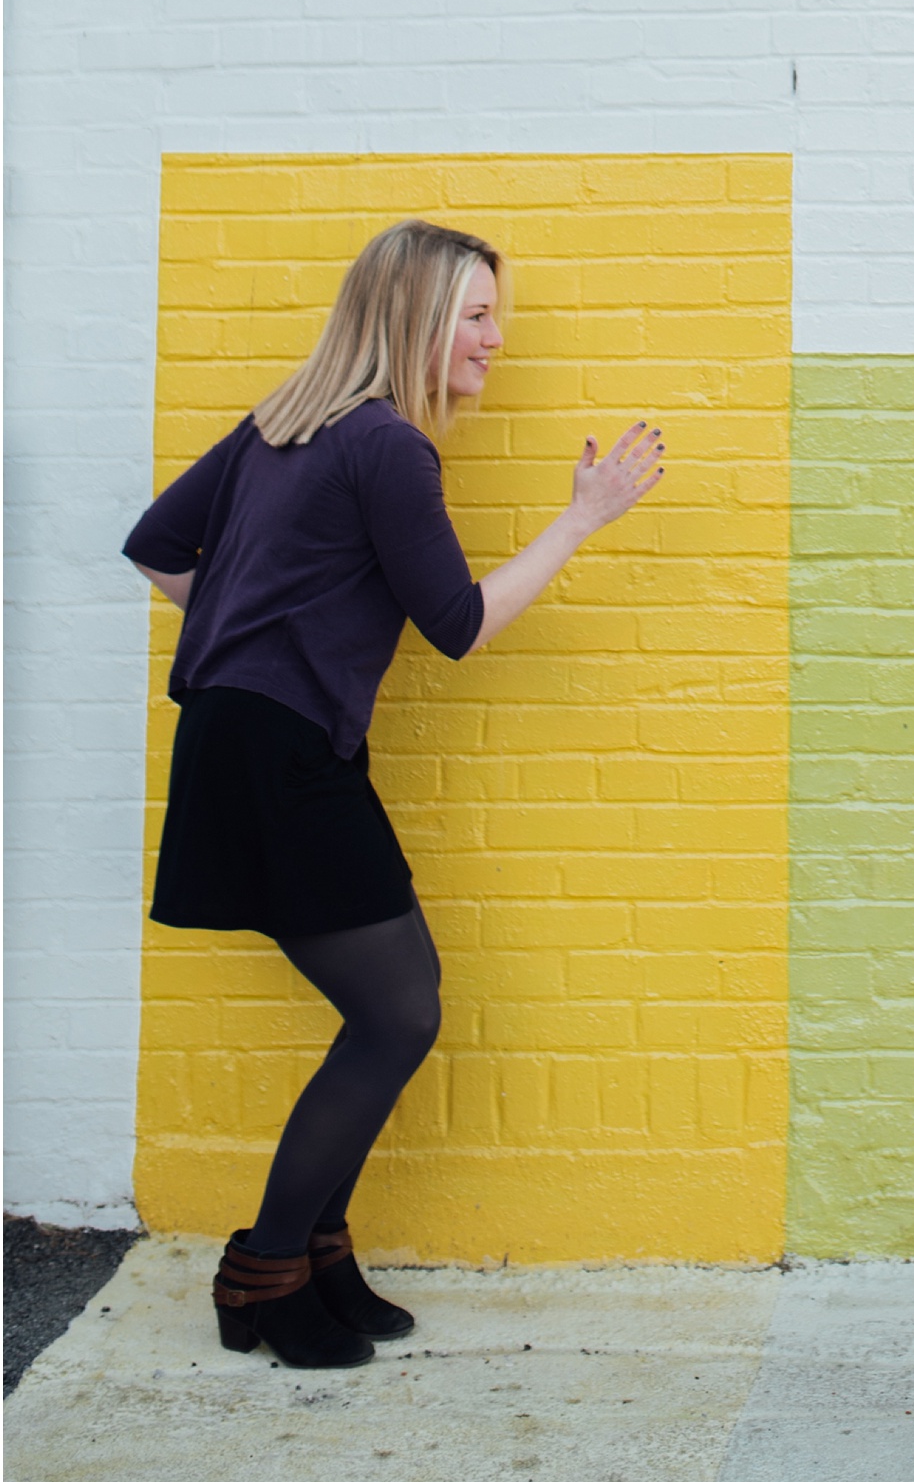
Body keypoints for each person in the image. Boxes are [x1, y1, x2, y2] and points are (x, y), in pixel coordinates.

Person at [126, 219, 663, 1370]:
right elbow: (458, 625)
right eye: (474, 315)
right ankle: (262, 1273)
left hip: (256, 741)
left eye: (492, 313)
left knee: (394, 1006)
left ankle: (318, 1257)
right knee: (398, 1014)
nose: (494, 337)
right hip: (281, 754)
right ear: (414, 319)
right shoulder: (384, 446)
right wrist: (583, 516)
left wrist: (253, 631)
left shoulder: (284, 423)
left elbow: (160, 549)